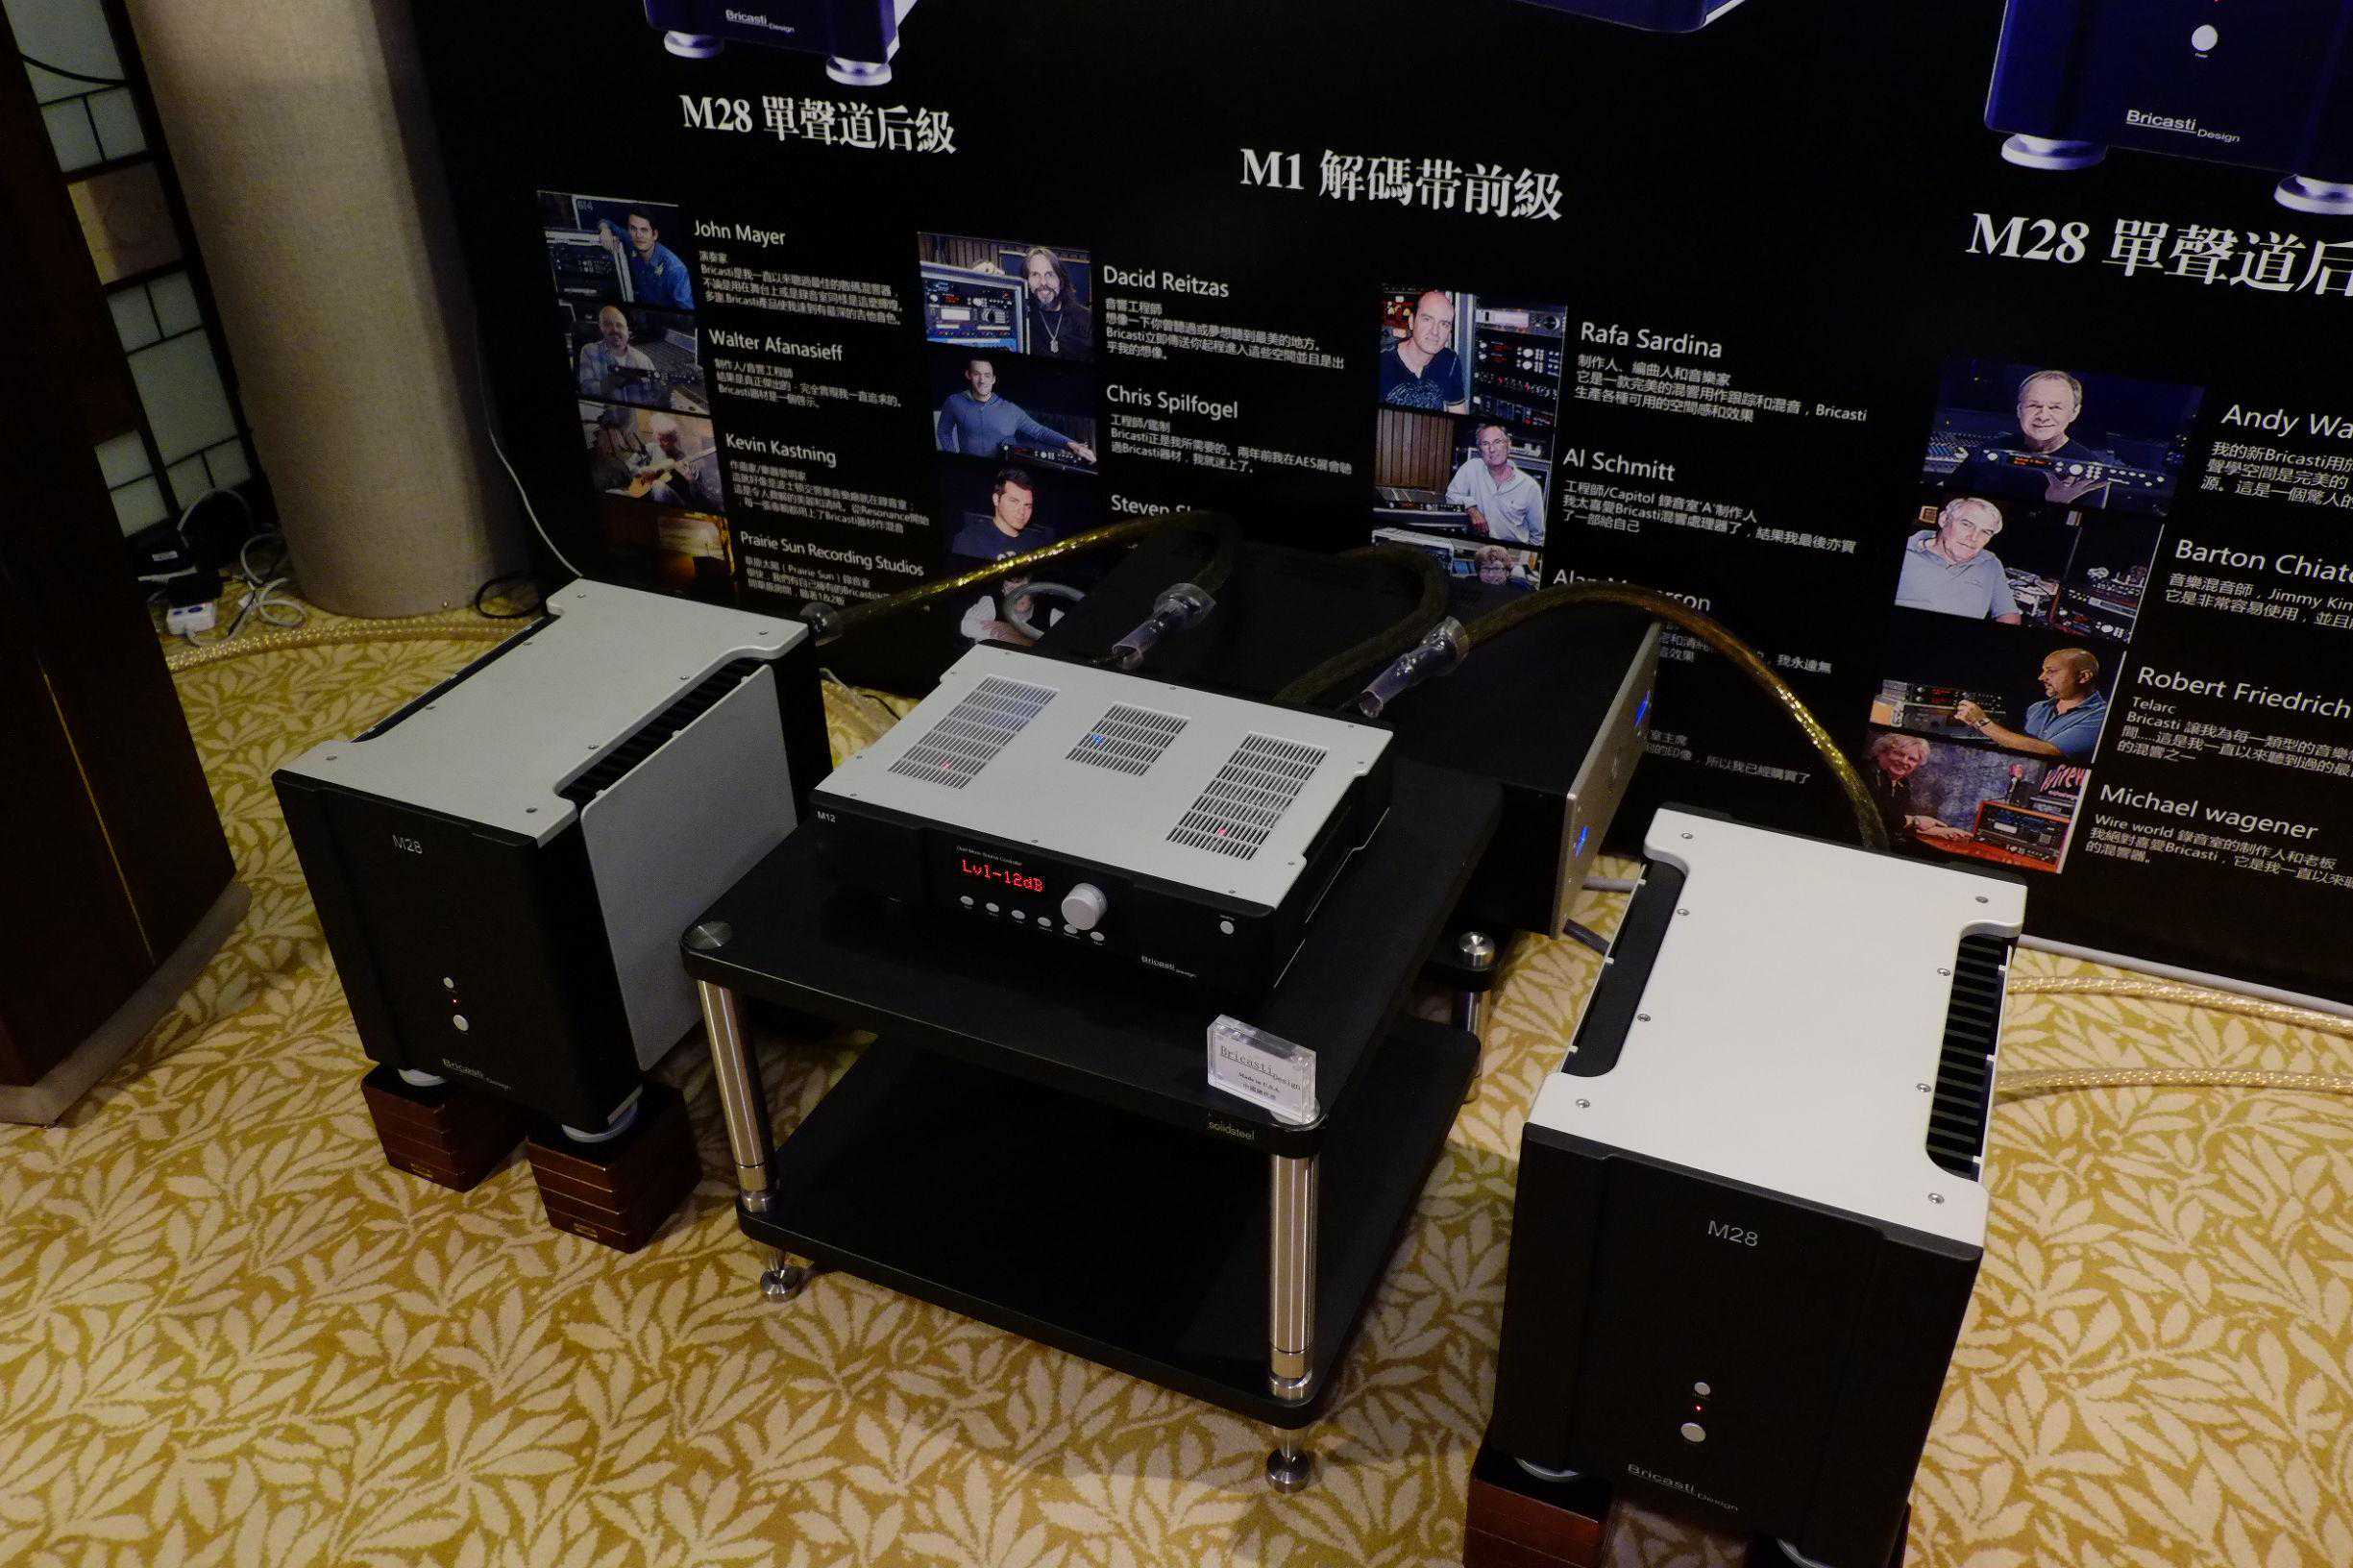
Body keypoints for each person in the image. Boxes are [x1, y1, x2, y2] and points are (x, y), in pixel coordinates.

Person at [1949, 370, 2119, 508]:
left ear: (2074, 412)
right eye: (2034, 405)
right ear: (2019, 410)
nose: (2043, 416)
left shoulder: (2091, 471)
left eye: (2055, 407)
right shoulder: (1989, 450)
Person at [1953, 648, 2106, 762]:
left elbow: (2050, 751)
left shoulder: (2102, 717)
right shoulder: (2037, 708)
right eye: (2043, 671)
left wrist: (1982, 722)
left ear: (2083, 676)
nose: (2041, 677)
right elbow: (2017, 744)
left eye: (2051, 671)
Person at [936, 358, 1097, 463]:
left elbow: (1040, 432)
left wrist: (1073, 445)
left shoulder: (1011, 410)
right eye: (977, 374)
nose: (982, 380)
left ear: (993, 379)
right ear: (968, 375)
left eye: (987, 375)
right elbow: (943, 431)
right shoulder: (954, 402)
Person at [1895, 498, 2022, 624]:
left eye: (1985, 532)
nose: (1974, 537)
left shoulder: (1990, 563)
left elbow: (2009, 614)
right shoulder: (1908, 553)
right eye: (1967, 524)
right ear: (1944, 519)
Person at [1446, 425, 1546, 544]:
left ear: (1509, 445)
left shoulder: (1530, 487)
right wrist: (1471, 509)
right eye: (1485, 443)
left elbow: (1537, 536)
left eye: (1497, 442)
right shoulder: (1471, 468)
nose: (1492, 449)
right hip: (1475, 546)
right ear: (1479, 450)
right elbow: (1450, 496)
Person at [1868, 733, 1968, 844]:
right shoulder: (1868, 772)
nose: (1904, 761)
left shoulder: (1902, 784)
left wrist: (1943, 831)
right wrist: (1915, 821)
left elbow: (1896, 824)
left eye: (1912, 759)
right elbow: (1877, 819)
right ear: (1882, 752)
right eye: (1899, 754)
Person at [1380, 291, 1468, 413]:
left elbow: (1458, 410)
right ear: (1412, 322)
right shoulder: (1383, 362)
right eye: (1427, 319)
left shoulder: (1450, 360)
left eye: (1444, 324)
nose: (1435, 332)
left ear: (1449, 333)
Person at [598, 208, 695, 310]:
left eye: (644, 230)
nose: (638, 235)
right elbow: (604, 222)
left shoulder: (675, 270)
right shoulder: (631, 240)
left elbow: (687, 310)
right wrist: (605, 229)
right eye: (633, 229)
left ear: (655, 235)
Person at [948, 467, 1055, 560]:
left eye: (1027, 505)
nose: (1022, 511)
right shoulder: (970, 540)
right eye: (1014, 501)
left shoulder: (1039, 543)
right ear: (996, 500)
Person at [640, 414, 723, 511]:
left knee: (659, 486)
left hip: (678, 504)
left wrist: (690, 480)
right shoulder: (651, 449)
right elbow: (631, 469)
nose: (660, 443)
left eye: (665, 440)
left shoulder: (688, 463)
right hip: (648, 494)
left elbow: (698, 498)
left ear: (673, 440)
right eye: (659, 439)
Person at [576, 306, 658, 404]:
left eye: (619, 325)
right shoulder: (589, 351)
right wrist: (609, 383)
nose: (615, 329)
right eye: (608, 324)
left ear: (627, 331)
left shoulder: (643, 359)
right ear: (601, 328)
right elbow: (585, 389)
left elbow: (656, 392)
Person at [1021, 248, 1091, 360]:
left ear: (1061, 281)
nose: (1043, 282)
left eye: (1050, 274)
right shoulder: (1021, 319)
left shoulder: (1087, 319)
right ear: (1027, 282)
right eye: (1035, 275)